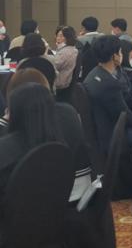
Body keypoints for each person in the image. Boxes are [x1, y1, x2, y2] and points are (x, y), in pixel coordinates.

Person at [1, 70, 92, 202]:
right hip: (80, 196)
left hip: (31, 206)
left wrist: (7, 118)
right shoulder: (69, 113)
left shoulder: (12, 142)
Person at [83, 35, 132, 153]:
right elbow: (126, 117)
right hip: (111, 137)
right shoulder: (110, 84)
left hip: (97, 132)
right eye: (120, 52)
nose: (122, 54)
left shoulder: (94, 73)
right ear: (114, 56)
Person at [53, 26, 79, 91]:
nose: (58, 38)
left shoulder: (65, 52)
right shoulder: (73, 49)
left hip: (60, 84)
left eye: (61, 36)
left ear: (68, 37)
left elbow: (53, 66)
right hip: (66, 82)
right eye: (57, 36)